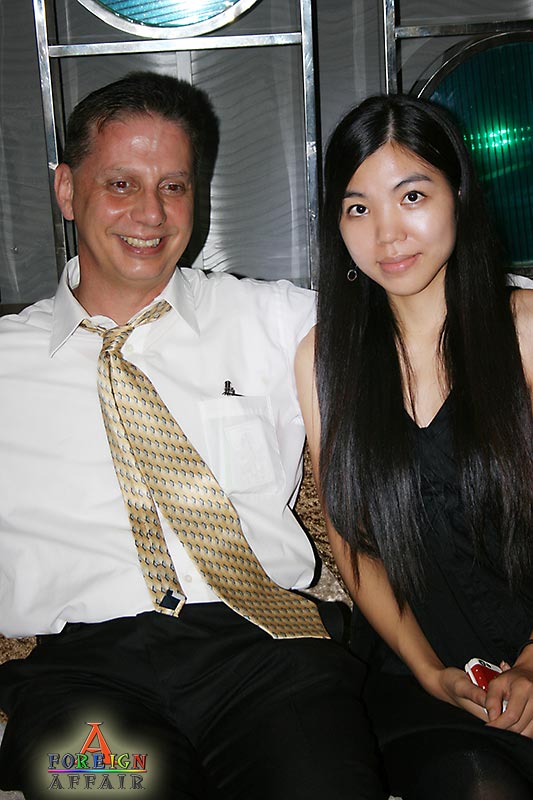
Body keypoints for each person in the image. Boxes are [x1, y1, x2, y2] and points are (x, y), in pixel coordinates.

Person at [0, 72, 385, 799]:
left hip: (268, 655)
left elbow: (426, 304)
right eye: (121, 184)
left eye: (173, 186)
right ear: (66, 190)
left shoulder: (272, 321)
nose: (151, 213)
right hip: (79, 681)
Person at [295, 93, 533, 799]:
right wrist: (429, 670)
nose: (387, 233)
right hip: (421, 678)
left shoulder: (524, 329)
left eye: (412, 196)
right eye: (357, 207)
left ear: (458, 195)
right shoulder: (325, 360)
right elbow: (352, 543)